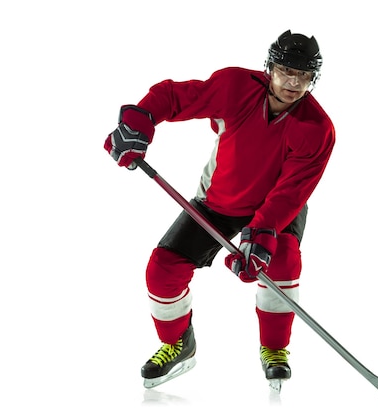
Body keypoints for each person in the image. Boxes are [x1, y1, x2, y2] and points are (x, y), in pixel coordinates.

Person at [104, 30, 335, 389]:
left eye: (304, 75)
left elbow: (292, 191)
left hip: (277, 207)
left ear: (313, 79)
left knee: (283, 260)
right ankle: (179, 344)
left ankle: (275, 349)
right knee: (162, 270)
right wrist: (142, 118)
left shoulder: (318, 129)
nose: (293, 82)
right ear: (269, 68)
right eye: (286, 71)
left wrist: (260, 236)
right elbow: (175, 96)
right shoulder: (234, 87)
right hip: (220, 200)